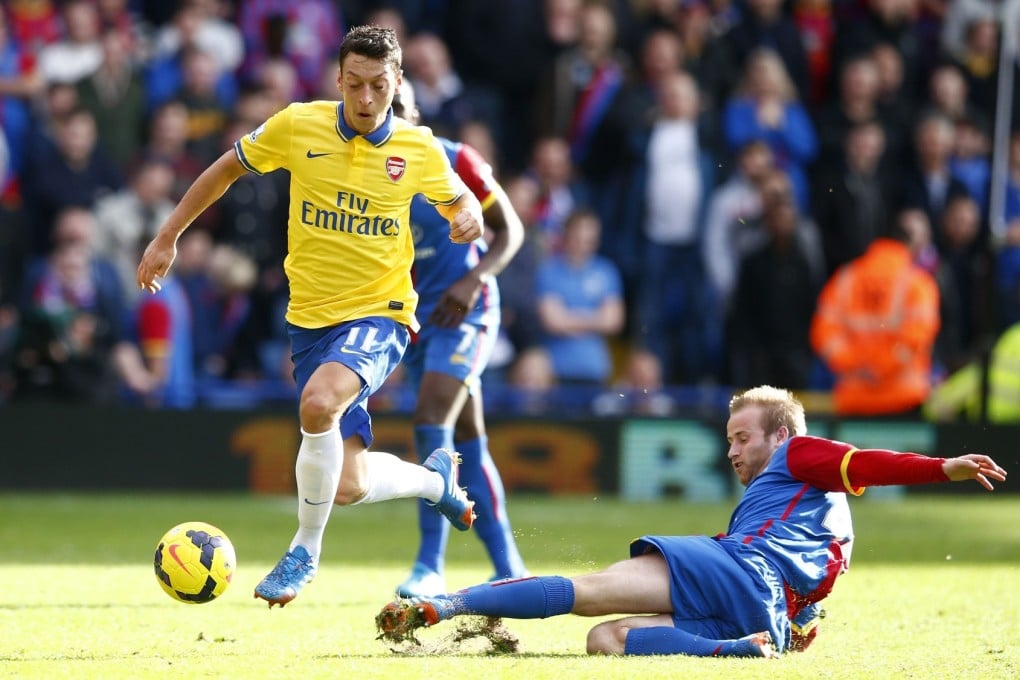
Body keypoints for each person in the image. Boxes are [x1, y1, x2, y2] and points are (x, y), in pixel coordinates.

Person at [136, 25, 485, 608]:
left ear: (398, 82)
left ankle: (304, 550)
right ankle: (434, 481)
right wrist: (168, 236)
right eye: (355, 84)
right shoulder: (299, 125)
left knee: (318, 403)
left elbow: (460, 200)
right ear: (338, 80)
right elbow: (226, 168)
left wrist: (467, 215)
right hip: (310, 320)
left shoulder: (418, 149)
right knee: (347, 484)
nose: (367, 98)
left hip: (380, 313)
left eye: (379, 86)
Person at [376, 385, 1007, 657]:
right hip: (761, 614)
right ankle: (732, 652)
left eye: (741, 438)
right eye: (729, 440)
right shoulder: (828, 521)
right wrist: (795, 624)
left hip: (741, 569)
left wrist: (942, 467)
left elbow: (865, 460)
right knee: (605, 642)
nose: (731, 451)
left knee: (590, 591)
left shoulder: (798, 452)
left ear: (781, 435)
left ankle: (446, 605)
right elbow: (810, 602)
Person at [387, 81, 528, 597]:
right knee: (468, 438)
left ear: (415, 113)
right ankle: (509, 565)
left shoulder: (455, 159)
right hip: (414, 321)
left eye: (396, 106)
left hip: (466, 313)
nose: (387, 116)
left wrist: (472, 280)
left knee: (430, 419)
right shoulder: (362, 176)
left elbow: (510, 230)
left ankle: (430, 565)